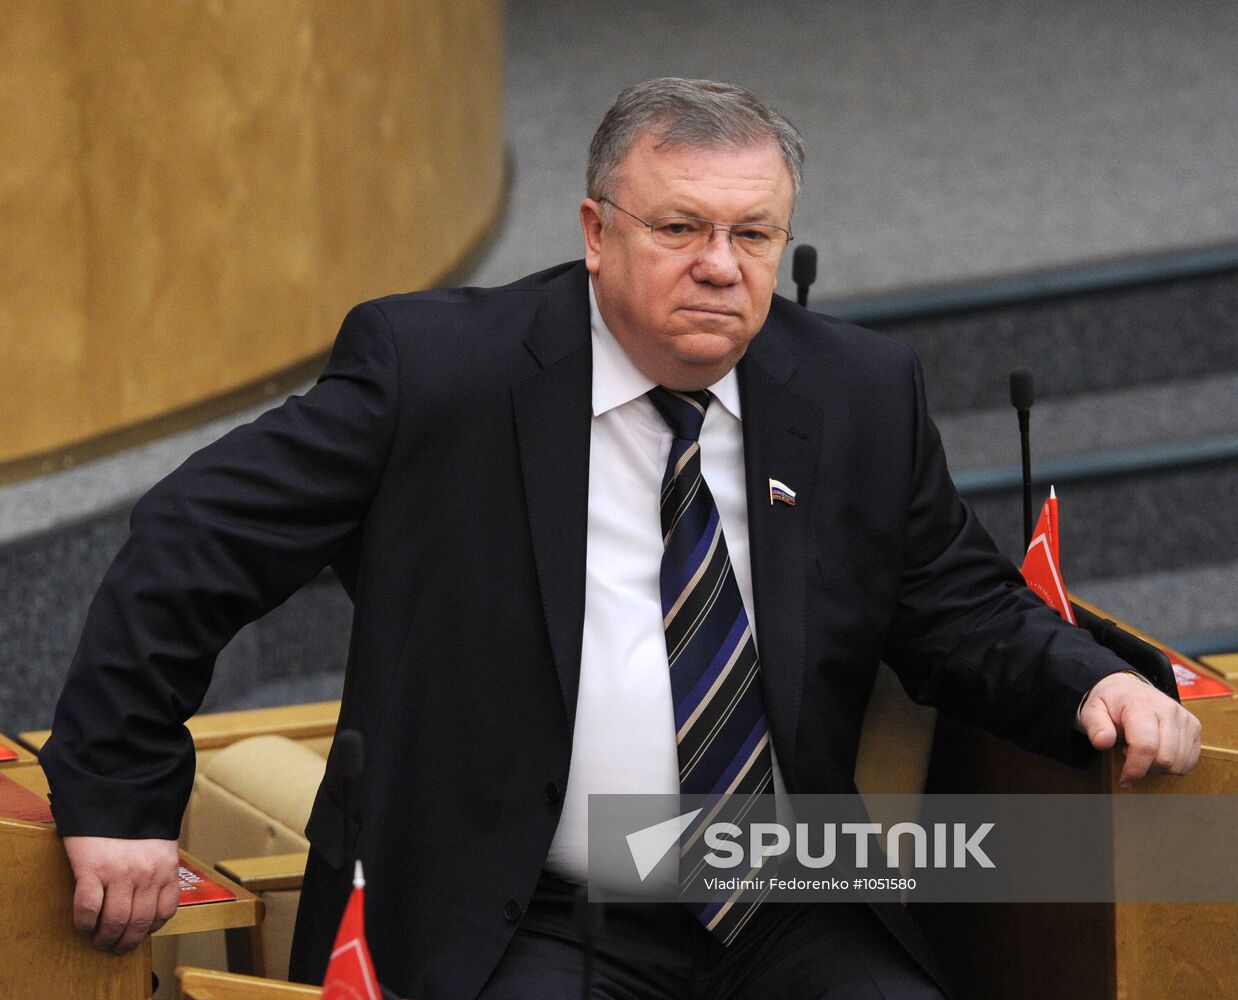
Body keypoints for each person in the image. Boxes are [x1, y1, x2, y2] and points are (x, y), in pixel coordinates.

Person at [42, 78, 1200, 999]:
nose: (720, 265)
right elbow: (193, 540)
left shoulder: (852, 389)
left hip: (788, 898)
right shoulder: (437, 376)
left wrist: (1089, 677)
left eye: (754, 234)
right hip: (526, 908)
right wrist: (118, 797)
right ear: (595, 230)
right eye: (681, 225)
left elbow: (952, 600)